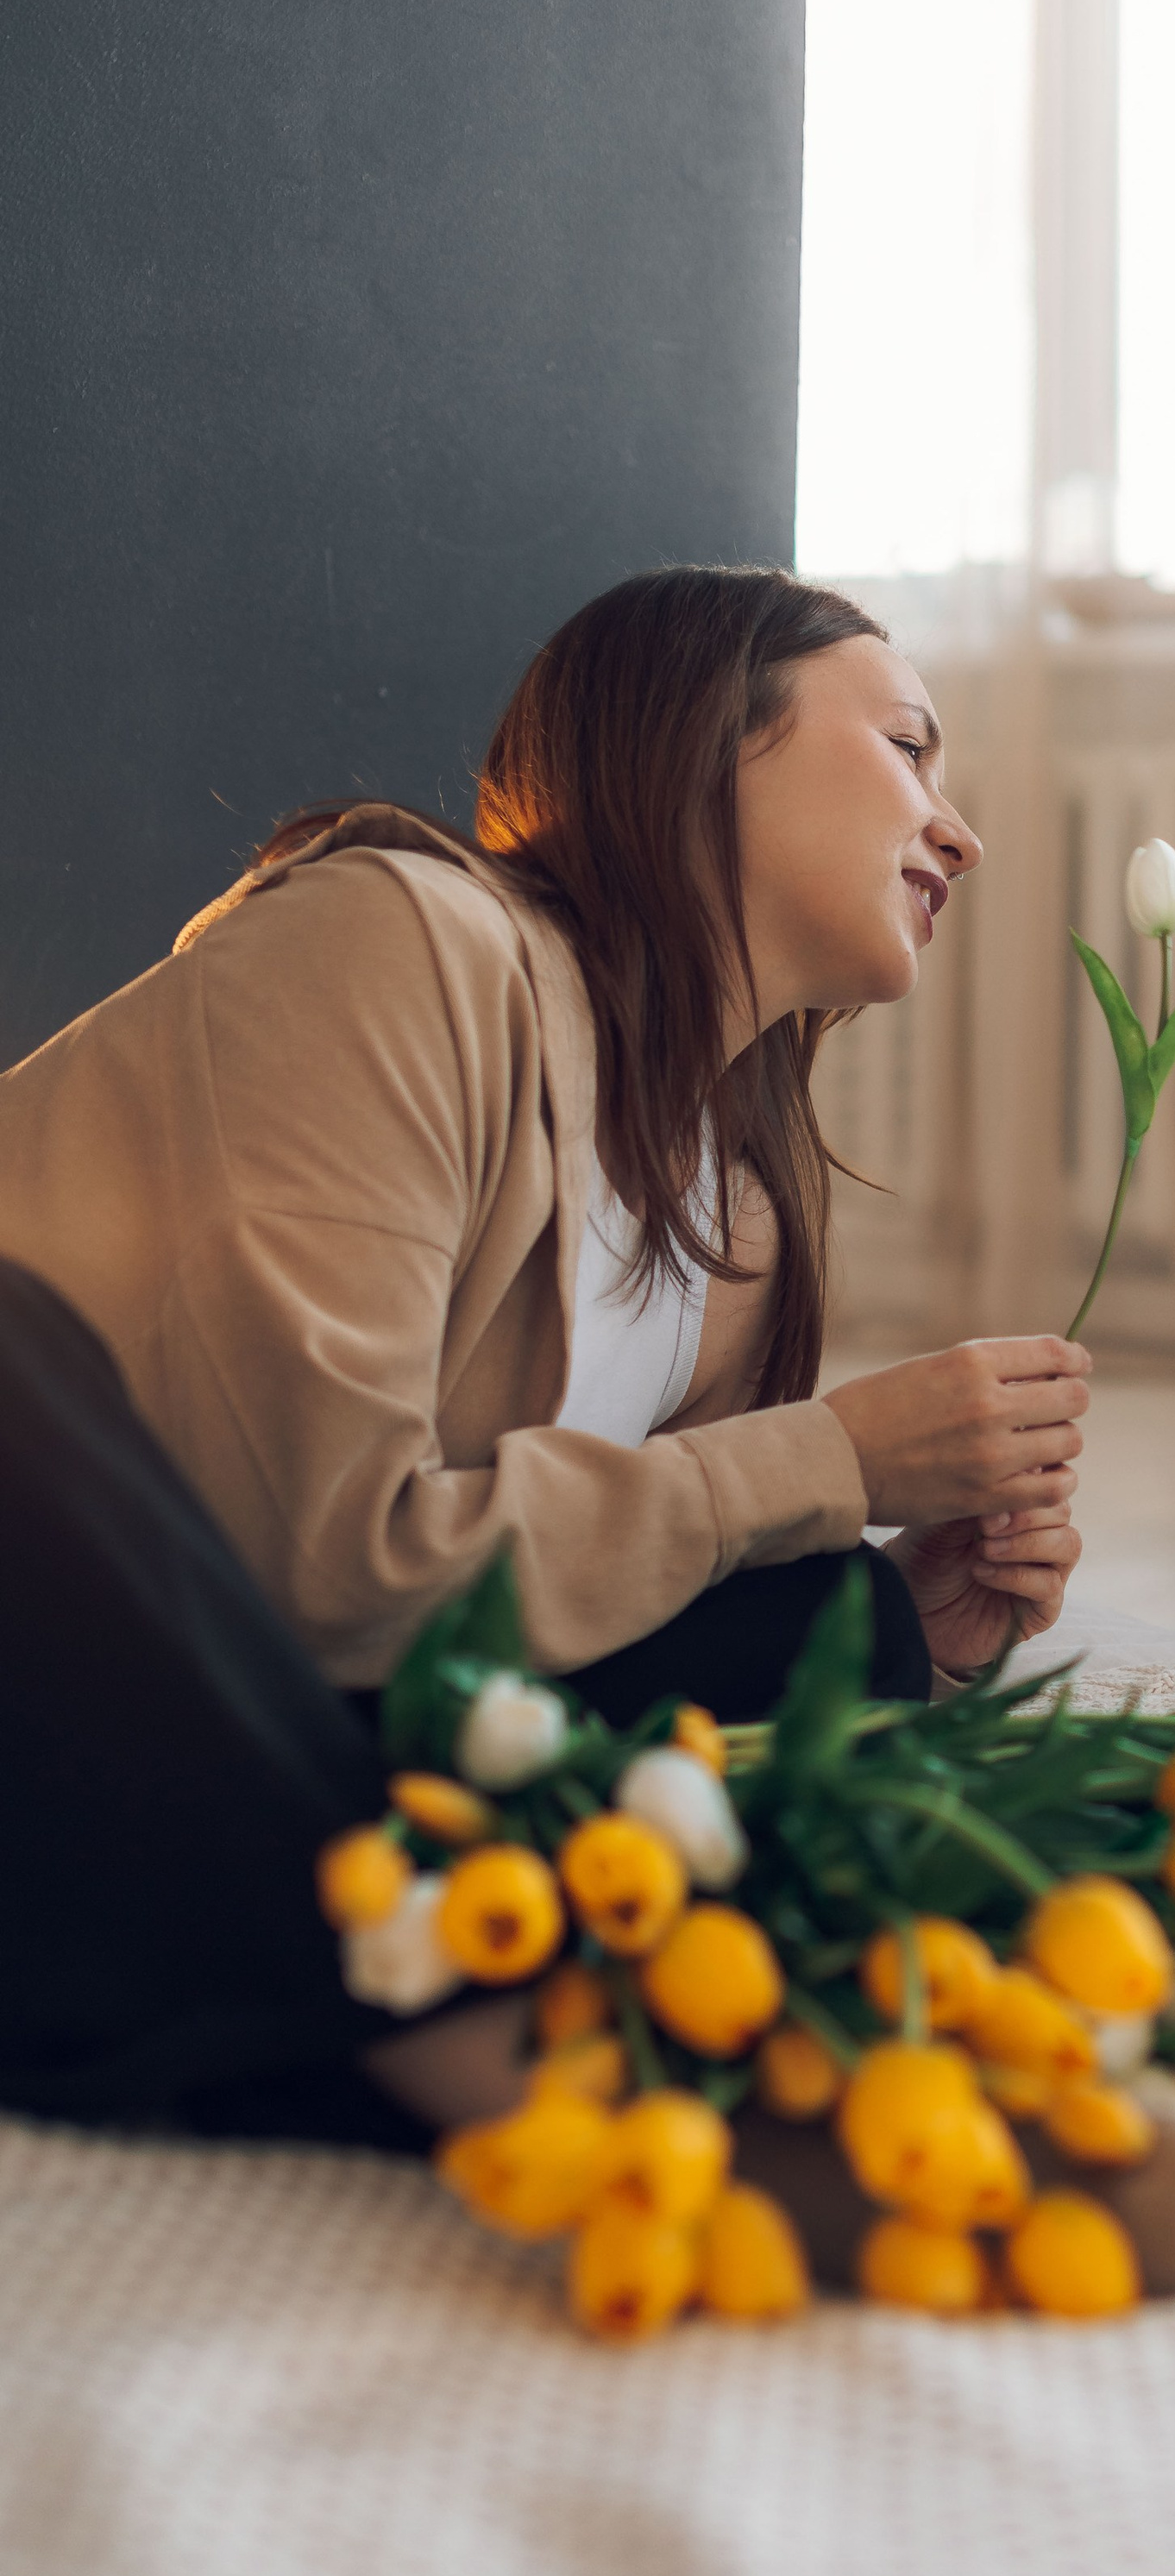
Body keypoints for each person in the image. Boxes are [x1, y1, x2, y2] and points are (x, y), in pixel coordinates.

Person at [0, 565, 1090, 2133]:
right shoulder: (401, 940)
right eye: (909, 746)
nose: (958, 826)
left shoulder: (734, 1216)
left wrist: (902, 1631)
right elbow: (323, 1570)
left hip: (202, 1746)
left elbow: (535, 1627)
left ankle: (323, 1988)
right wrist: (828, 1458)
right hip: (77, 1640)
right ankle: (430, 2043)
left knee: (818, 1611)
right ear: (713, 740)